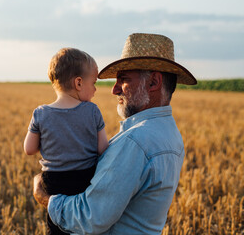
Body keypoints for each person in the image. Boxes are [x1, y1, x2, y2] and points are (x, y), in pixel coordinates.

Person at [33, 33, 197, 234]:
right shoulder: (169, 132)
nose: (114, 89)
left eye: (124, 79)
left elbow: (90, 217)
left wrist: (46, 198)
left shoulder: (136, 141)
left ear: (154, 82)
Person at [24, 47, 109, 235]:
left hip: (54, 182)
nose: (95, 89)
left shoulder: (41, 113)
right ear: (78, 83)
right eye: (93, 83)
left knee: (57, 226)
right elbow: (103, 150)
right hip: (85, 179)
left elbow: (29, 149)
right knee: (84, 224)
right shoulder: (93, 111)